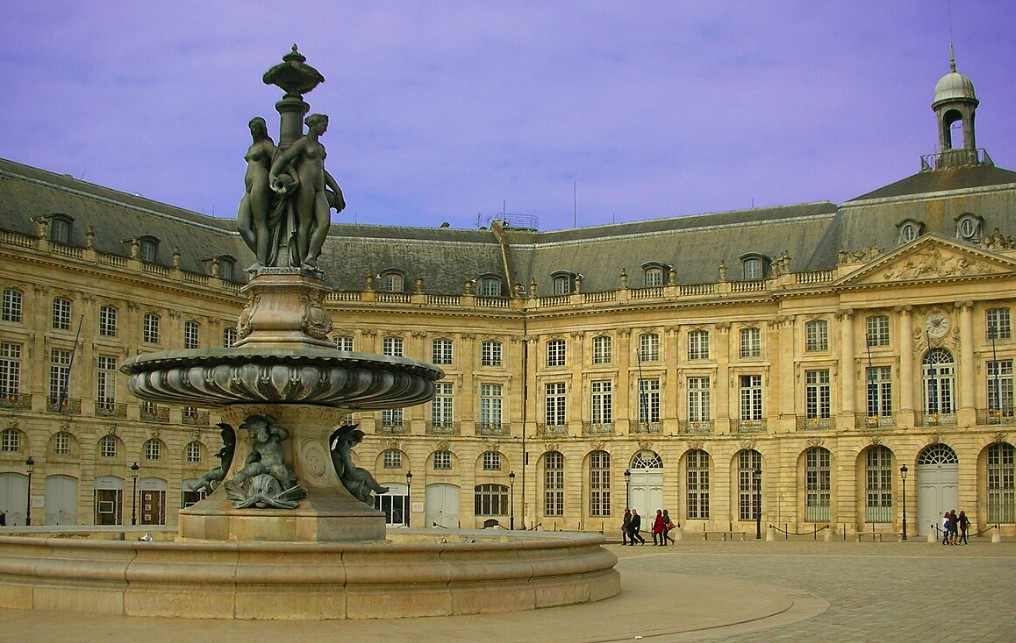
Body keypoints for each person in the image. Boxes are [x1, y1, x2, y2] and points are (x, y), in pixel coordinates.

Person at [269, 113, 345, 272]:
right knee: (305, 223)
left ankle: (311, 257)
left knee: (324, 222)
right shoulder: (303, 143)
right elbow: (284, 158)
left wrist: (338, 191)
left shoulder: (320, 147)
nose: (325, 129)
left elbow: (322, 170)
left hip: (319, 187)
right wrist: (272, 175)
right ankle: (302, 261)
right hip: (305, 184)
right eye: (323, 125)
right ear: (314, 124)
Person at [236, 117, 279, 270]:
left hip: (260, 182)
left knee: (260, 222)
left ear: (262, 129)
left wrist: (275, 176)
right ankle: (266, 255)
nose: (254, 130)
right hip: (248, 186)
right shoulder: (252, 147)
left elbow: (280, 159)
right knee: (242, 225)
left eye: (256, 127)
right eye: (252, 127)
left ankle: (262, 261)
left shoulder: (266, 145)